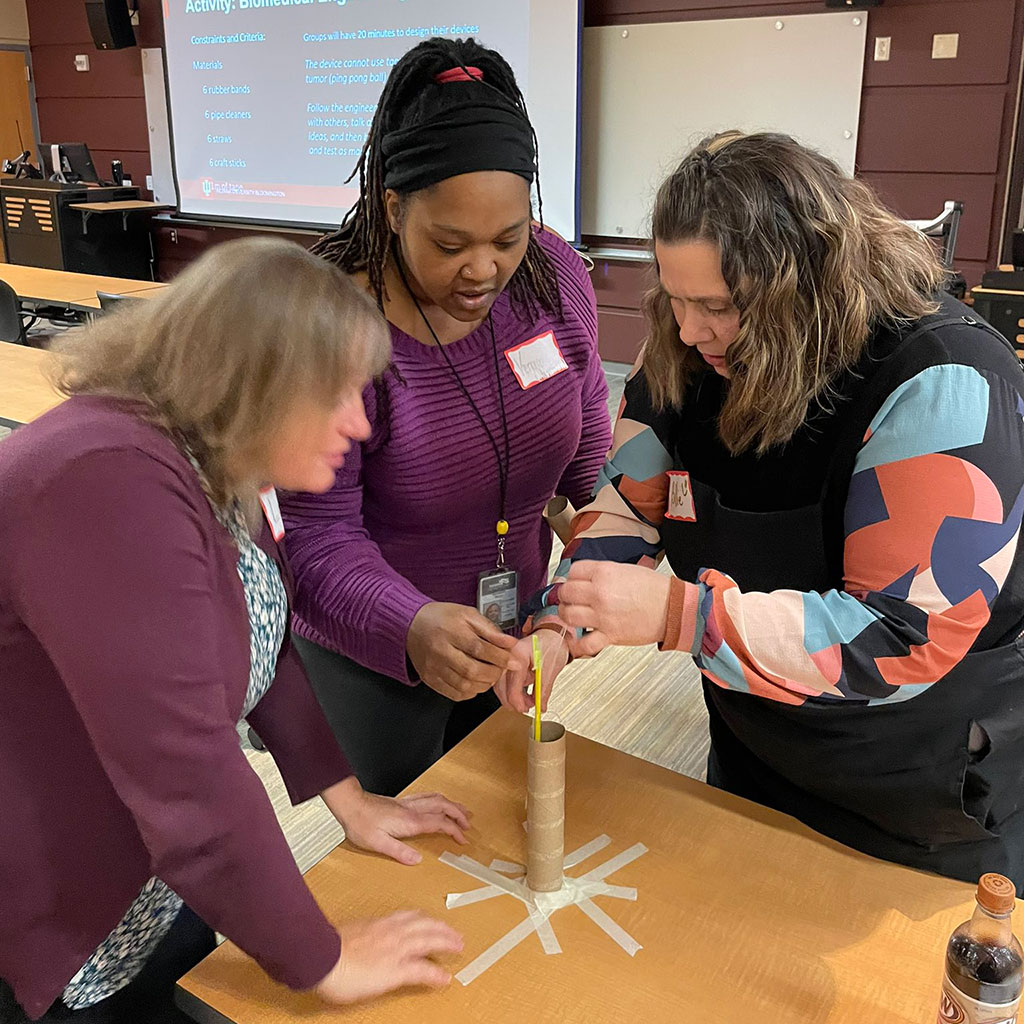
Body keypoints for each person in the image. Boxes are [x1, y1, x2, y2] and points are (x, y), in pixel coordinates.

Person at [506, 131, 1024, 889]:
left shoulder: (942, 380)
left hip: (917, 780)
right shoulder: (683, 357)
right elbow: (628, 506)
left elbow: (900, 637)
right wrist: (564, 614)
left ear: (805, 286)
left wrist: (683, 616)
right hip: (759, 747)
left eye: (717, 306)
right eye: (674, 300)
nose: (688, 331)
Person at [0, 238, 470, 1024]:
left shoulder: (204, 459)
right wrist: (324, 958)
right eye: (341, 393)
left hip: (155, 875)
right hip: (57, 901)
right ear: (258, 384)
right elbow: (188, 771)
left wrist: (346, 799)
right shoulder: (107, 480)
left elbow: (260, 638)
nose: (359, 422)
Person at [281, 37, 611, 796]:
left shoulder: (552, 274)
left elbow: (586, 430)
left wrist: (605, 548)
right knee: (407, 833)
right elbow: (314, 534)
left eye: (507, 236)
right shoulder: (335, 327)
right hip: (376, 650)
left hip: (515, 630)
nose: (484, 269)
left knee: (496, 812)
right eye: (450, 243)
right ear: (393, 208)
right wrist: (410, 623)